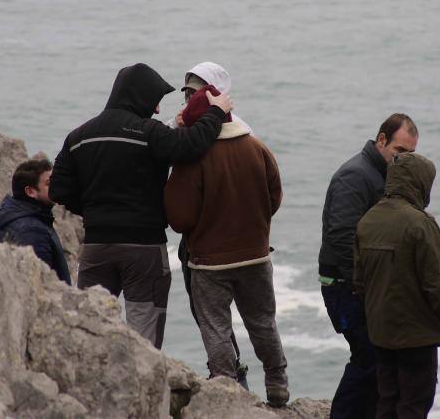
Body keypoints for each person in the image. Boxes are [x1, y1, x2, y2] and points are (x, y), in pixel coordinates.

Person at [49, 63, 232, 349]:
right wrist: (216, 112)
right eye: (155, 101)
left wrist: (97, 211)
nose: (157, 110)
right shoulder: (150, 133)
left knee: (89, 327)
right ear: (140, 97)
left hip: (96, 248)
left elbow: (59, 190)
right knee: (142, 339)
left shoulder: (78, 136)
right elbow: (191, 146)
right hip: (143, 250)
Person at [164, 86, 289, 408]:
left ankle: (226, 389)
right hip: (256, 254)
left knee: (216, 327)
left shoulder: (193, 159)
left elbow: (179, 218)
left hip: (210, 261)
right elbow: (274, 197)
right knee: (262, 321)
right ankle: (277, 384)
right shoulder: (256, 147)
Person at [318, 114, 419, 419]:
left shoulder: (386, 176)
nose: (403, 160)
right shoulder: (355, 176)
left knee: (377, 363)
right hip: (344, 286)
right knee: (369, 359)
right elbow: (341, 236)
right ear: (381, 140)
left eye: (411, 155)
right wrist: (363, 286)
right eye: (399, 152)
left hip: (367, 286)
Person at [354, 152, 440, 419]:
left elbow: (360, 282)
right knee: (414, 405)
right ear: (419, 183)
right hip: (417, 336)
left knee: (387, 400)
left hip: (380, 332)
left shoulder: (367, 220)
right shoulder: (420, 224)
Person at [168, 61, 250, 387]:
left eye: (196, 90)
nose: (189, 98)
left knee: (226, 315)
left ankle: (230, 377)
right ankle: (230, 371)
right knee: (206, 314)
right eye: (186, 91)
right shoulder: (182, 126)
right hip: (201, 238)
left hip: (219, 240)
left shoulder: (240, 133)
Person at [0, 158, 72, 285]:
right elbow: (41, 285)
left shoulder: (17, 218)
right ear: (31, 192)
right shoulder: (32, 231)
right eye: (49, 183)